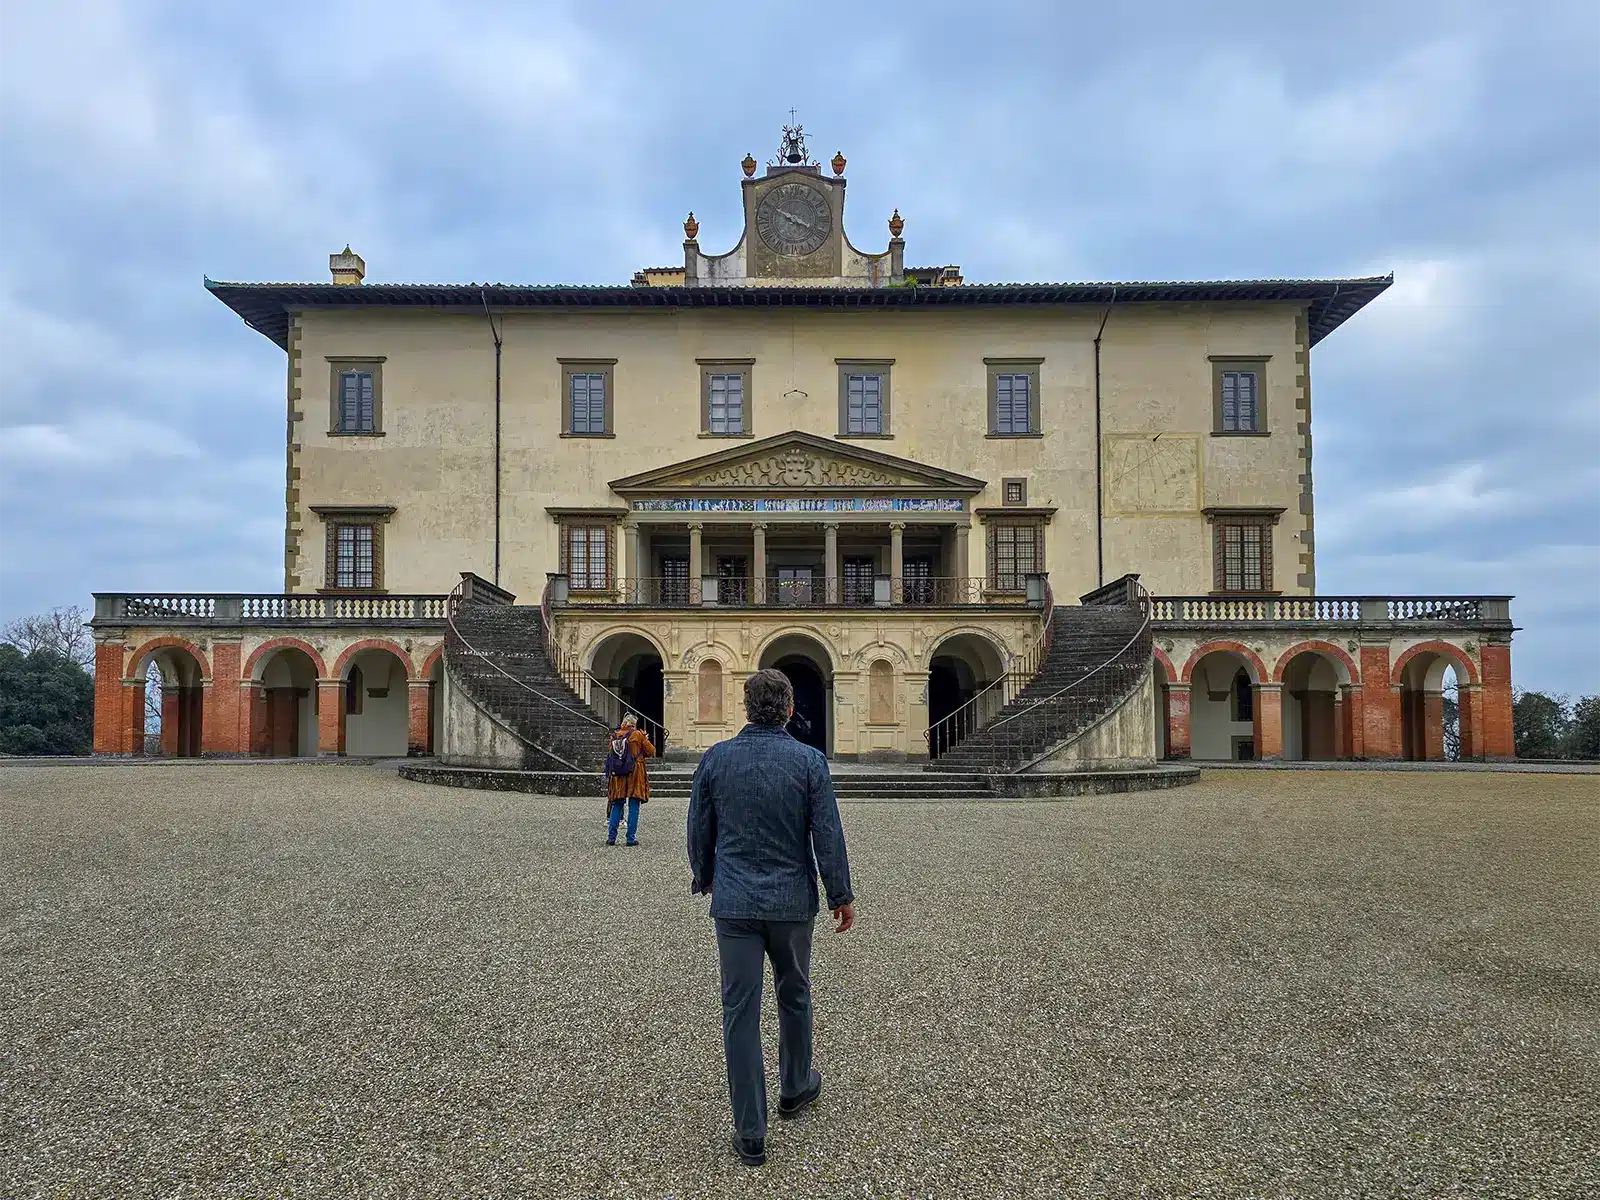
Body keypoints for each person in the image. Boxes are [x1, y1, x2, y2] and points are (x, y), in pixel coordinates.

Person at [687, 669, 854, 1168]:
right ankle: (796, 1086)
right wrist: (839, 893)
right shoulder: (808, 761)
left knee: (739, 1012)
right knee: (795, 993)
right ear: (787, 708)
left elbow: (698, 827)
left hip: (735, 902)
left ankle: (750, 1130)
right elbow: (827, 833)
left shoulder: (717, 759)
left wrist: (706, 875)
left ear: (745, 706)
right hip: (790, 903)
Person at [605, 713, 654, 846]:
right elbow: (651, 751)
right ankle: (630, 838)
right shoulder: (637, 735)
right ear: (633, 724)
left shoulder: (615, 735)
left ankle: (611, 837)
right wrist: (645, 738)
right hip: (635, 773)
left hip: (618, 775)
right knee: (633, 806)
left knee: (617, 804)